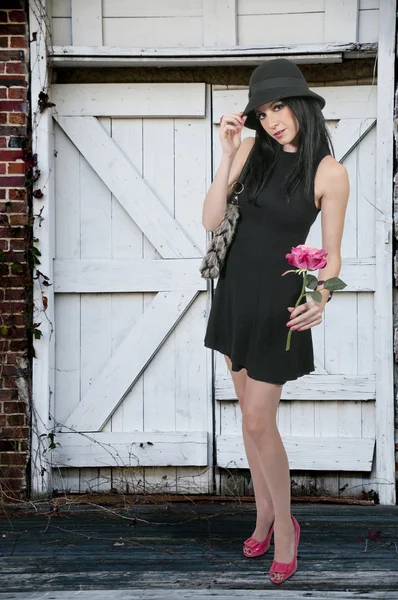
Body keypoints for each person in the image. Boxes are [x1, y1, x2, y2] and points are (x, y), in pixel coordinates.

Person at [202, 58, 349, 584]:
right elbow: (212, 219)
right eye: (263, 112)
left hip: (276, 305)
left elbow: (331, 258)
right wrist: (225, 157)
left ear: (303, 104)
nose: (271, 120)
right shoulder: (250, 151)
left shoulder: (329, 172)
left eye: (279, 106)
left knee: (261, 419)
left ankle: (285, 530)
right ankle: (263, 514)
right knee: (248, 415)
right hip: (237, 294)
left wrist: (323, 297)